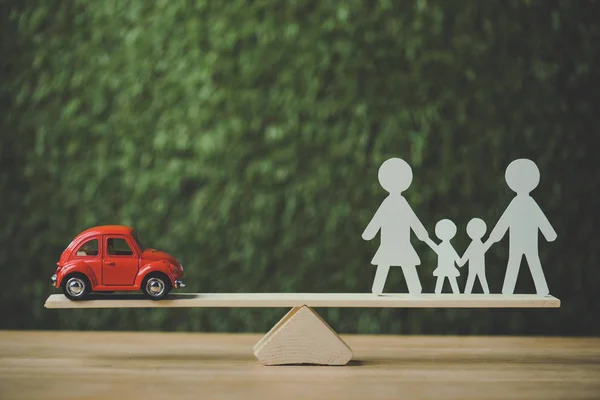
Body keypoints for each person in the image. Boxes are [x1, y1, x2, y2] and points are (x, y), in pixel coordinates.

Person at [488, 159, 557, 296]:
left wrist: (550, 234)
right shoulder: (520, 203)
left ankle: (515, 291)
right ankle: (510, 291)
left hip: (526, 241)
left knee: (524, 261)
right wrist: (496, 234)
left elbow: (539, 219)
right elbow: (505, 220)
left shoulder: (526, 203)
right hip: (520, 241)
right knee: (520, 261)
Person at [362, 158, 429, 295]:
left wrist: (369, 233)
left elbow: (410, 219)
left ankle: (412, 289)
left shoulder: (394, 203)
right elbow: (379, 219)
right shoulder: (395, 203)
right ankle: (381, 289)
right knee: (391, 263)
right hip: (396, 243)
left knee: (393, 263)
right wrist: (421, 233)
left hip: (396, 243)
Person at [425, 219, 461, 294]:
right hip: (445, 268)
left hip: (447, 268)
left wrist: (427, 240)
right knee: (444, 280)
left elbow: (436, 249)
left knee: (447, 280)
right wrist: (427, 240)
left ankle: (454, 293)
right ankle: (440, 293)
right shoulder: (447, 246)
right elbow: (437, 249)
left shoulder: (447, 247)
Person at [458, 218, 492, 294]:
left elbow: (468, 254)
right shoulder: (475, 244)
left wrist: (461, 262)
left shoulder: (475, 244)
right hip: (475, 266)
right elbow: (469, 253)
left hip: (477, 266)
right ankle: (483, 293)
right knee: (476, 278)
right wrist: (490, 241)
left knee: (478, 278)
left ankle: (485, 293)